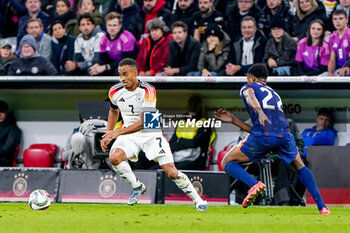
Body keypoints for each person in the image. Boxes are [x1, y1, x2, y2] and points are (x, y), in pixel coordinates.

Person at [214, 63, 330, 215]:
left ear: (252, 78)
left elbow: (250, 96)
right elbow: (261, 128)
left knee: (227, 162)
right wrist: (234, 120)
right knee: (300, 167)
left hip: (264, 136)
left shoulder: (249, 86)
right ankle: (322, 207)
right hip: (284, 135)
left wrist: (259, 112)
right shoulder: (274, 94)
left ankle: (254, 184)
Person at [100, 58, 207, 210]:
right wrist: (108, 133)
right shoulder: (114, 91)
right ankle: (137, 186)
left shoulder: (148, 91)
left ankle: (199, 201)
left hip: (151, 132)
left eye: (126, 74)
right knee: (114, 157)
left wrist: (116, 133)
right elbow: (113, 110)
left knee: (171, 172)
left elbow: (144, 122)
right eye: (120, 75)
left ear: (135, 72)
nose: (122, 78)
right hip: (129, 133)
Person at [168, 95, 214, 170]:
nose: (193, 107)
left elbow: (194, 143)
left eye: (195, 105)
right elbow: (171, 144)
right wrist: (187, 142)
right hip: (178, 158)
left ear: (200, 107)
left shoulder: (204, 123)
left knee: (177, 171)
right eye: (190, 104)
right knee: (157, 169)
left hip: (196, 160)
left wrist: (180, 141)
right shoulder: (182, 122)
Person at [327, 10, 350, 76]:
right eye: (335, 19)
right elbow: (332, 59)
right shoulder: (332, 37)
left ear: (346, 20)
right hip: (339, 69)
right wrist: (330, 74)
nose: (338, 21)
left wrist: (346, 66)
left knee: (346, 74)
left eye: (341, 18)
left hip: (347, 67)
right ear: (332, 21)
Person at [0, 100, 22, 167]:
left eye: (2, 112)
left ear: (6, 113)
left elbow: (6, 149)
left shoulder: (13, 129)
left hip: (4, 162)